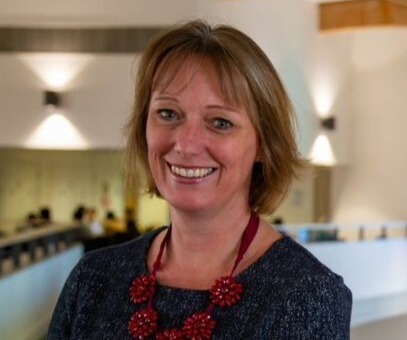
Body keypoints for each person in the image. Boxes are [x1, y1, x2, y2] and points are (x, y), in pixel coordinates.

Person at [48, 20, 352, 339]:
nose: (186, 144)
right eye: (168, 114)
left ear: (264, 143)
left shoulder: (309, 296)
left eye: (220, 122)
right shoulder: (92, 278)